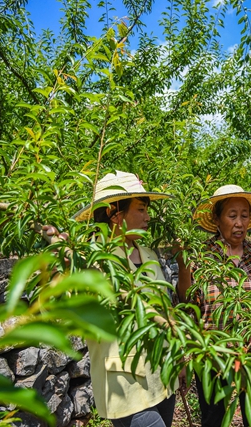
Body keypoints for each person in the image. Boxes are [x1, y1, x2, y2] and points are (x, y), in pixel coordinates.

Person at [46, 170, 177, 427]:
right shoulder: (87, 259)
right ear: (115, 213)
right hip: (126, 381)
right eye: (140, 209)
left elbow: (164, 308)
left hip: (162, 374)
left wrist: (179, 356)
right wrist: (59, 266)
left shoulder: (148, 253)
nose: (147, 217)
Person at [176, 184, 251, 427]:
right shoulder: (201, 256)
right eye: (232, 216)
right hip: (213, 355)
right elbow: (188, 302)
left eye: (244, 215)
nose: (239, 223)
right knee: (213, 416)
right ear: (217, 219)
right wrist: (183, 265)